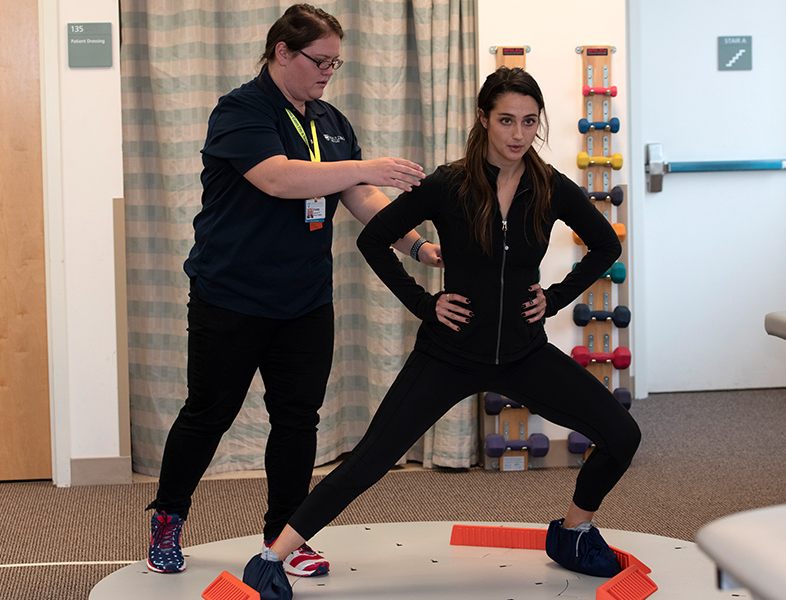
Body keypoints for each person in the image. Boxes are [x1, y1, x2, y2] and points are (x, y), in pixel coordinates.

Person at [242, 66, 642, 599]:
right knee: (370, 460)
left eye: (528, 121)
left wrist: (556, 298)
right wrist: (426, 306)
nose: (518, 134)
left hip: (523, 353)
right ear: (484, 119)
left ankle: (573, 533)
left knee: (623, 435)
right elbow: (375, 240)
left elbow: (606, 245)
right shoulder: (449, 184)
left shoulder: (550, 188)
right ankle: (271, 557)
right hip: (449, 354)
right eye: (506, 120)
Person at [144, 4, 442, 577]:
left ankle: (285, 536)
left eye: (336, 63)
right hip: (231, 297)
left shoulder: (331, 120)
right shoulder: (241, 111)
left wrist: (416, 245)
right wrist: (365, 165)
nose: (328, 71)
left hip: (304, 301)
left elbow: (360, 198)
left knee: (298, 419)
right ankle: (168, 520)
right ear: (282, 51)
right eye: (319, 60)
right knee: (209, 414)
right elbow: (280, 178)